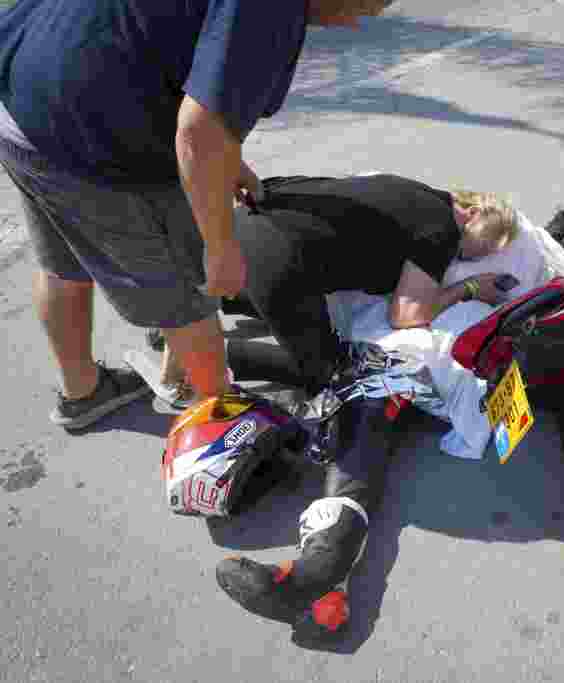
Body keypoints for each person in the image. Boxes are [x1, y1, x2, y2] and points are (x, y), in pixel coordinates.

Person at [0, 0, 392, 431]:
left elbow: (171, 52)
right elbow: (200, 132)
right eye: (367, 6)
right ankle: (223, 421)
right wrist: (221, 249)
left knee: (63, 265)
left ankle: (84, 393)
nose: (361, 22)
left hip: (23, 99)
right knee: (188, 296)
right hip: (91, 134)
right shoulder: (274, 8)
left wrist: (229, 164)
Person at [189, 173, 518, 644]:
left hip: (239, 238)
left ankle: (319, 579)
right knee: (344, 387)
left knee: (349, 387)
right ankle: (320, 576)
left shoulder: (407, 189)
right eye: (469, 253)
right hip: (329, 304)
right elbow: (408, 314)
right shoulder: (441, 228)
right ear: (469, 213)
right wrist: (469, 288)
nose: (462, 262)